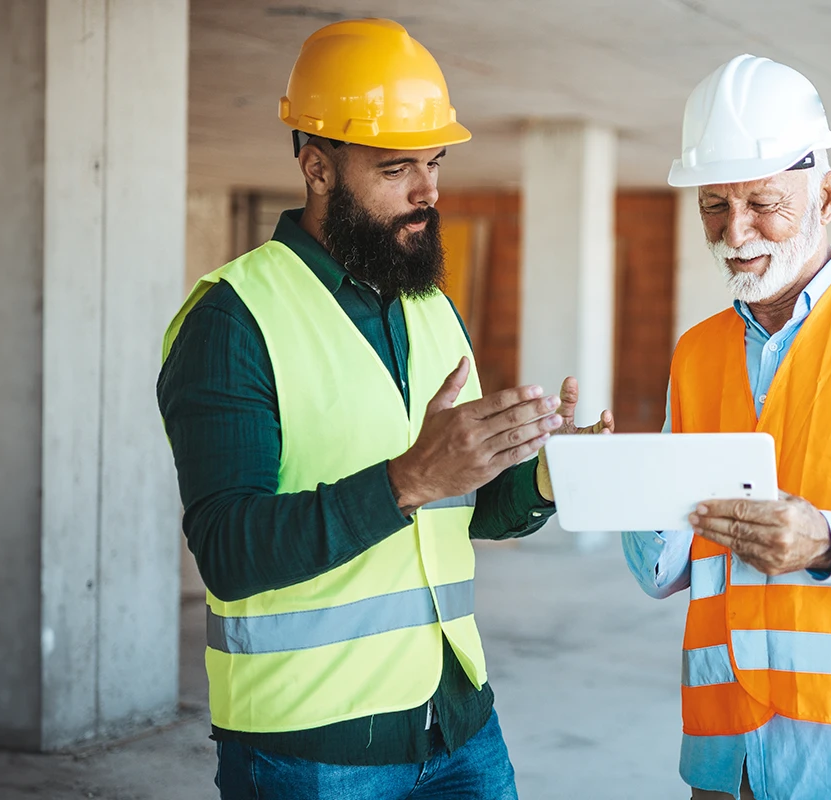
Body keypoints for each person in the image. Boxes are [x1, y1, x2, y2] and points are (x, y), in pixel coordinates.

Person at [157, 19, 611, 799]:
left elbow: (460, 509)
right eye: (397, 167)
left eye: (433, 163)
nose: (428, 192)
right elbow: (227, 550)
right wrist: (405, 479)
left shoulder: (429, 307)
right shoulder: (234, 319)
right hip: (311, 748)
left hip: (460, 723)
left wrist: (544, 476)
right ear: (317, 167)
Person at [623, 54, 831, 800]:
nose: (736, 231)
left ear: (827, 193)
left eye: (763, 203)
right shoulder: (697, 352)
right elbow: (663, 569)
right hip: (725, 757)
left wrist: (828, 541)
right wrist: (617, 483)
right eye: (714, 205)